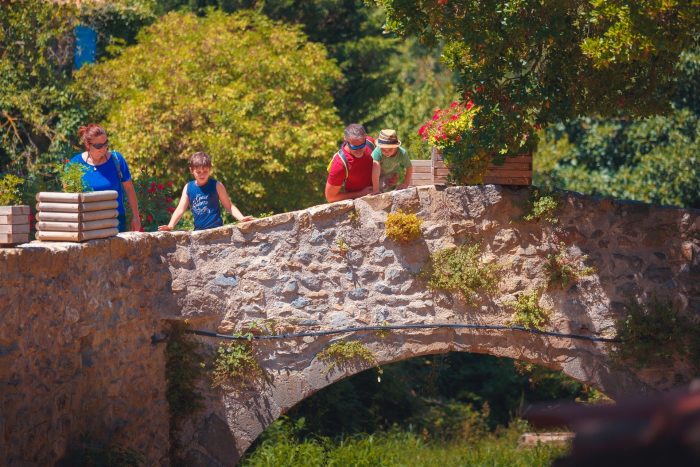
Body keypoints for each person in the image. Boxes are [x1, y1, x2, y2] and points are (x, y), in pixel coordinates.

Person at [70, 124, 141, 232]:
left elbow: (129, 189)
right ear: (88, 145)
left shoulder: (117, 160)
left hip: (115, 221)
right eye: (99, 146)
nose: (104, 148)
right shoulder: (75, 164)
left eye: (106, 144)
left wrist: (136, 217)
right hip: (87, 223)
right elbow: (69, 195)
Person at [158, 152, 254, 231]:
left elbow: (229, 206)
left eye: (205, 171)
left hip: (217, 231)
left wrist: (241, 218)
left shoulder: (217, 185)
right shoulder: (188, 187)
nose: (202, 175)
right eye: (198, 172)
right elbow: (180, 209)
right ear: (191, 170)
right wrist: (170, 226)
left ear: (210, 170)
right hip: (198, 232)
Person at [325, 123, 376, 202]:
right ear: (346, 140)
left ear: (365, 137)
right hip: (358, 201)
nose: (359, 151)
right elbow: (331, 197)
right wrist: (361, 193)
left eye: (362, 146)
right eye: (354, 147)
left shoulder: (370, 143)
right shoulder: (340, 164)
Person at [371, 129, 413, 193]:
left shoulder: (402, 153)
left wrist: (405, 184)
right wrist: (375, 190)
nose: (387, 152)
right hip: (376, 175)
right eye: (383, 150)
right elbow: (375, 171)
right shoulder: (377, 151)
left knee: (389, 187)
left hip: (391, 175)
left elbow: (409, 167)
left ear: (396, 147)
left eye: (390, 149)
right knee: (378, 187)